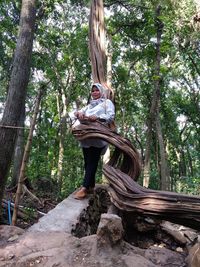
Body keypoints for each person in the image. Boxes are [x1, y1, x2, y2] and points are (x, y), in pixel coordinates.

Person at [73, 83, 115, 199]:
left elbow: (111, 116)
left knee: (92, 162)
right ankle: (91, 186)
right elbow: (74, 114)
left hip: (98, 136)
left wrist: (98, 118)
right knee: (87, 162)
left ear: (101, 92)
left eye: (97, 90)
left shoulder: (107, 103)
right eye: (93, 91)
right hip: (86, 137)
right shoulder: (88, 106)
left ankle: (84, 188)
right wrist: (78, 114)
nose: (95, 93)